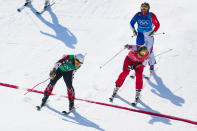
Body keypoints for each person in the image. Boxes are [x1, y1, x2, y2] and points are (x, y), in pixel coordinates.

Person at [130, 2, 160, 73]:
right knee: (138, 50)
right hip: (140, 34)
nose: (144, 9)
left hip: (148, 34)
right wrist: (134, 31)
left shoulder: (151, 15)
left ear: (148, 9)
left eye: (145, 8)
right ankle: (138, 66)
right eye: (142, 7)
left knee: (149, 50)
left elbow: (157, 24)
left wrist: (154, 31)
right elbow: (131, 23)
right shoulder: (138, 14)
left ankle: (151, 66)